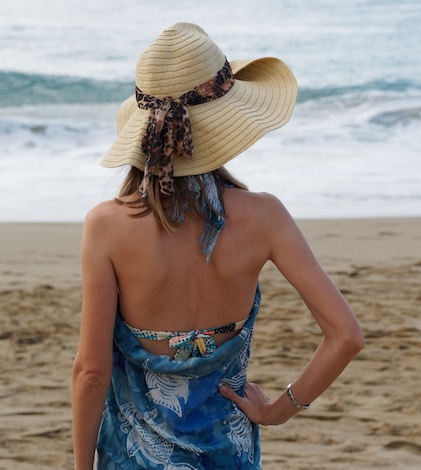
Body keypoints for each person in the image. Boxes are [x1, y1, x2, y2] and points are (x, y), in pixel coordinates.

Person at [72, 22, 363, 470]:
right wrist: (279, 409)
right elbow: (345, 336)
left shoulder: (106, 226)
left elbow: (91, 373)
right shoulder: (265, 217)